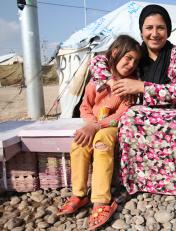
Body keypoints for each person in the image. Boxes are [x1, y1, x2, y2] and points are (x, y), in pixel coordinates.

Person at [98, 4, 176, 205]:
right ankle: (133, 181)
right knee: (130, 118)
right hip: (149, 112)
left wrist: (141, 87)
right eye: (149, 28)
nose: (154, 33)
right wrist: (111, 81)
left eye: (160, 28)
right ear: (141, 30)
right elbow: (98, 61)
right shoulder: (136, 55)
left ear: (168, 30)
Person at [57, 34, 141, 230]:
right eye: (128, 58)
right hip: (94, 123)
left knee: (101, 142)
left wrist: (98, 126)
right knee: (79, 142)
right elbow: (85, 106)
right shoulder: (96, 82)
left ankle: (101, 200)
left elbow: (122, 113)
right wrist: (91, 123)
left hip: (110, 127)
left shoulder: (129, 87)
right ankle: (79, 194)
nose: (131, 64)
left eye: (135, 61)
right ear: (114, 53)